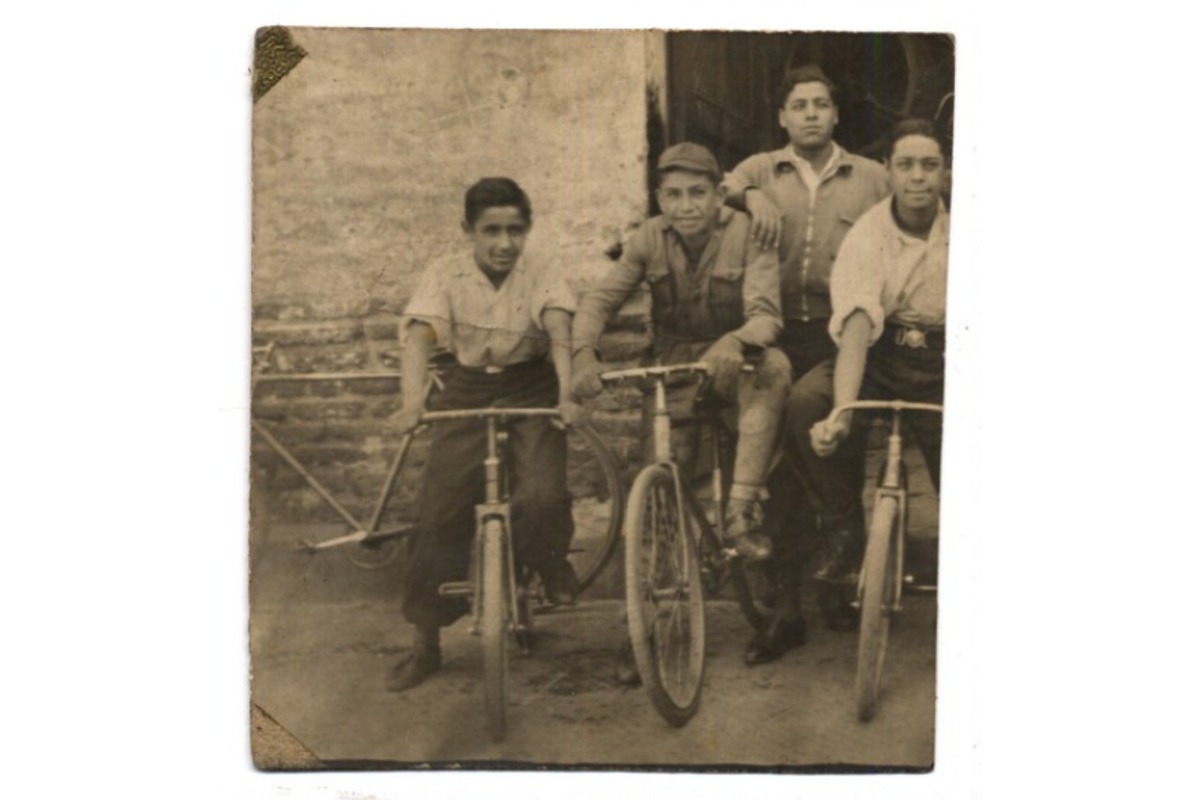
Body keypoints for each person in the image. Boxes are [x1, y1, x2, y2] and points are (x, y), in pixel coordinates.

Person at [573, 142, 792, 682]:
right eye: (673, 194)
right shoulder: (648, 238)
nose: (686, 205)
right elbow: (601, 299)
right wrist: (583, 352)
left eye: (698, 193)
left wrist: (735, 341)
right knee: (656, 502)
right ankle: (639, 633)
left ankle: (739, 511)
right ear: (658, 198)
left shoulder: (749, 231)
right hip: (672, 367)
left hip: (735, 360)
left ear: (720, 194)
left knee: (776, 368)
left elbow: (767, 317)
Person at [387, 177, 583, 693]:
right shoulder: (444, 273)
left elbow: (561, 334)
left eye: (515, 230)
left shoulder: (542, 271)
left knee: (542, 494)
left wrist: (565, 397)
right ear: (468, 231)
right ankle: (425, 643)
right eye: (490, 231)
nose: (503, 243)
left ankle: (548, 562)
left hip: (532, 384)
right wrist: (412, 404)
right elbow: (418, 338)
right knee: (438, 511)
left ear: (528, 229)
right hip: (467, 387)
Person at [723, 64, 890, 660]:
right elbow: (716, 188)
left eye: (822, 103)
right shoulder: (760, 169)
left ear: (837, 114)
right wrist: (748, 195)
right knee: (779, 472)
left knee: (831, 444)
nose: (812, 113)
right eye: (800, 105)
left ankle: (840, 589)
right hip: (773, 333)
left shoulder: (872, 177)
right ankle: (785, 610)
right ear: (782, 116)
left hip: (843, 330)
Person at [792, 118, 950, 626]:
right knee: (806, 404)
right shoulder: (869, 233)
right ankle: (844, 530)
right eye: (906, 165)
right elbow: (858, 325)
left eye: (929, 165)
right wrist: (841, 411)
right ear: (888, 172)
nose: (918, 177)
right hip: (879, 355)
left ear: (945, 173)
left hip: (946, 359)